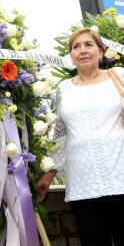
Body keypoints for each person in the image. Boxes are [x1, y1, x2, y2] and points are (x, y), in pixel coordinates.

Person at [36, 27, 124, 246]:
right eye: (76, 47)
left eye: (88, 44)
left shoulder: (119, 75)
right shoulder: (64, 89)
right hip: (83, 182)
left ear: (101, 52)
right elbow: (62, 133)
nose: (82, 50)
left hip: (120, 175)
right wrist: (50, 172)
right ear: (71, 56)